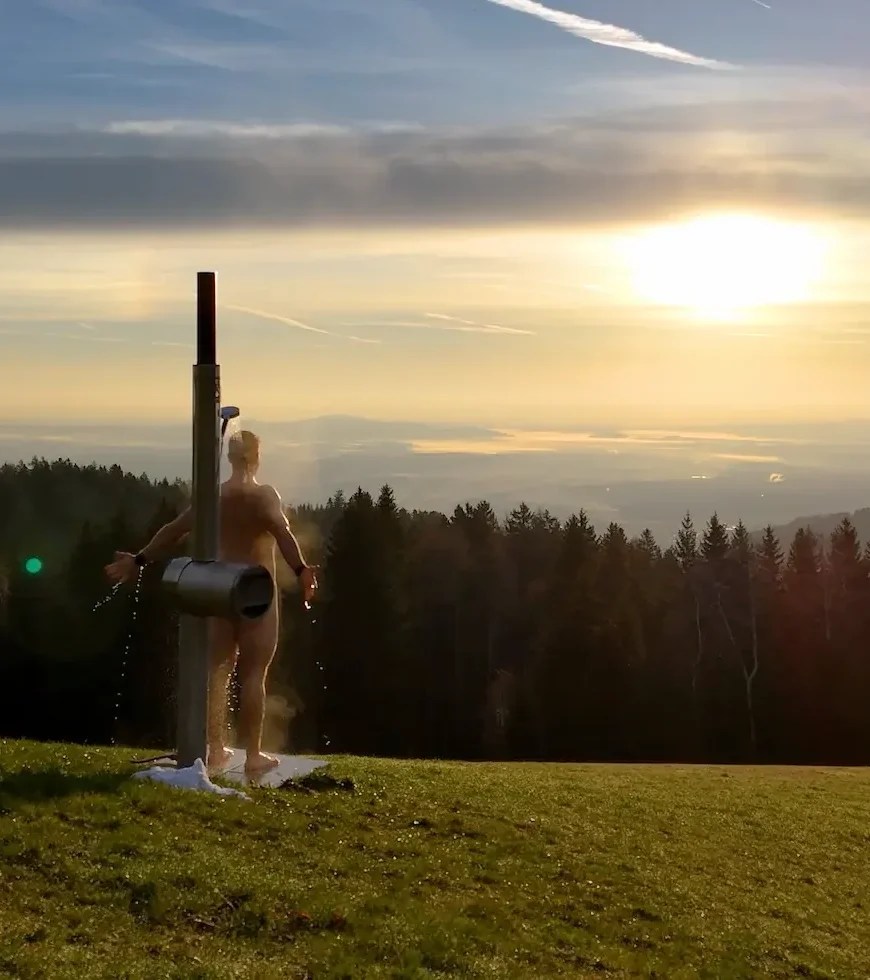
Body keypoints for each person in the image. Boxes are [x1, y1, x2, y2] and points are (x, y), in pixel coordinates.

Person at [104, 430, 318, 776]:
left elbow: (173, 530)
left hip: (218, 585)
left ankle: (215, 749)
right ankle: (252, 755)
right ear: (257, 457)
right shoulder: (264, 496)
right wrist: (302, 570)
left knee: (218, 671)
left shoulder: (214, 497)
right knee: (253, 673)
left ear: (230, 458)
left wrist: (138, 559)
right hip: (255, 587)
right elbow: (284, 534)